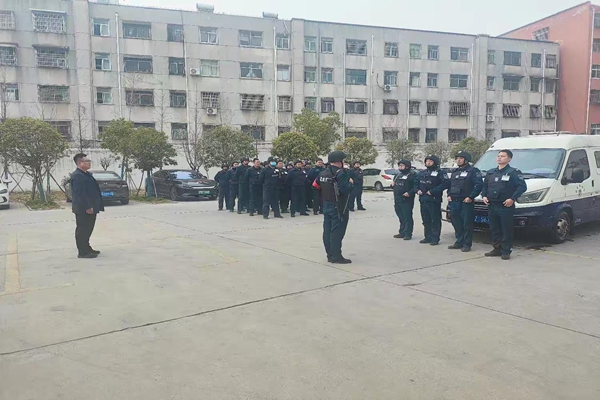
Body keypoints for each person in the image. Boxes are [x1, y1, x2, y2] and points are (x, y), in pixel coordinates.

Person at [482, 149, 527, 260]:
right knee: (494, 229)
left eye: (502, 156)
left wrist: (512, 198)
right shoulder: (491, 172)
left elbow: (522, 187)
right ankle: (497, 248)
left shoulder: (513, 172)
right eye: (498, 156)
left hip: (505, 206)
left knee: (506, 229)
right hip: (492, 205)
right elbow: (485, 186)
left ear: (509, 159)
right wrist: (484, 196)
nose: (499, 158)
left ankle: (506, 250)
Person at [315, 151, 354, 264]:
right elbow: (344, 190)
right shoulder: (341, 173)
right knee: (337, 232)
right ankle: (336, 256)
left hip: (326, 204)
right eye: (343, 160)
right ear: (339, 161)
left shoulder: (323, 173)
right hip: (339, 207)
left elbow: (315, 185)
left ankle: (330, 255)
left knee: (327, 231)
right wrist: (351, 183)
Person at [445, 151, 483, 252]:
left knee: (467, 224)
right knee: (456, 222)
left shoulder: (473, 171)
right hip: (454, 201)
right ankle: (459, 241)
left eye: (461, 158)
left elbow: (479, 185)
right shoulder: (455, 171)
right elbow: (450, 185)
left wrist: (471, 197)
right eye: (457, 158)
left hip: (465, 202)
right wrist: (449, 195)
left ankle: (467, 244)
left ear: (466, 160)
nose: (458, 160)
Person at [71, 153, 104, 259]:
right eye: (87, 161)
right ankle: (82, 252)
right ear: (79, 163)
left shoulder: (87, 174)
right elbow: (80, 193)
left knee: (88, 229)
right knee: (82, 229)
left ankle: (87, 247)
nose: (89, 163)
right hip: (83, 208)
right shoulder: (77, 176)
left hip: (91, 206)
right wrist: (87, 206)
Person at [415, 154, 448, 246]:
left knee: (435, 220)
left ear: (435, 162)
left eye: (430, 161)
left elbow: (445, 184)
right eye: (427, 161)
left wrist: (433, 191)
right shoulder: (422, 173)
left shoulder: (440, 172)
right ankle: (427, 237)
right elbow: (415, 184)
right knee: (426, 220)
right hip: (423, 200)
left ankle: (435, 238)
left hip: (434, 200)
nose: (428, 163)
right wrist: (417, 190)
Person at [392, 159, 417, 240]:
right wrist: (392, 185)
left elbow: (416, 187)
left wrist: (409, 193)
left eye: (402, 166)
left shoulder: (412, 175)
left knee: (407, 217)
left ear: (407, 166)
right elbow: (395, 185)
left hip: (407, 199)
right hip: (398, 199)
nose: (400, 167)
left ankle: (408, 233)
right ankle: (402, 232)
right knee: (401, 216)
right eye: (399, 166)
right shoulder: (398, 175)